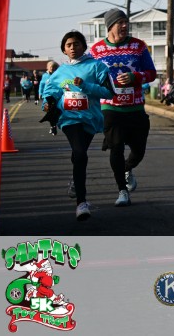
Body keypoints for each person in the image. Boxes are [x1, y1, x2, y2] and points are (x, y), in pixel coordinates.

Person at [40, 31, 113, 221]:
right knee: (80, 153)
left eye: (76, 44)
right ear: (64, 50)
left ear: (84, 46)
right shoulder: (60, 71)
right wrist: (47, 103)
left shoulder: (97, 66)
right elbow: (50, 93)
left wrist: (86, 86)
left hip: (90, 119)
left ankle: (75, 178)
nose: (73, 48)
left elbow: (109, 92)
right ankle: (81, 203)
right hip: (69, 118)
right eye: (69, 45)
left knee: (78, 154)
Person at [89, 8, 158, 207]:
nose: (125, 26)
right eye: (120, 22)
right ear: (110, 26)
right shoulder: (96, 50)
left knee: (139, 151)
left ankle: (127, 168)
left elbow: (151, 73)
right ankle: (122, 190)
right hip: (110, 109)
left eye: (126, 22)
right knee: (116, 148)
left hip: (135, 108)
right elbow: (89, 76)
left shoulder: (138, 46)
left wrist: (135, 77)